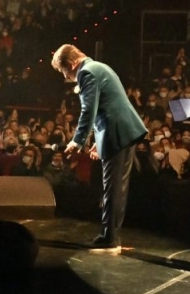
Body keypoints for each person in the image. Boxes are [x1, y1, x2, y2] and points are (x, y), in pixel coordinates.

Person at [51, 44, 147, 254]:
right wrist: (97, 140)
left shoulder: (86, 73)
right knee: (117, 188)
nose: (66, 76)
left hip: (116, 131)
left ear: (72, 63)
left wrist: (77, 141)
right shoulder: (98, 67)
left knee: (112, 188)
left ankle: (109, 240)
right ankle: (112, 237)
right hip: (121, 130)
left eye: (63, 71)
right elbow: (105, 106)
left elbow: (89, 109)